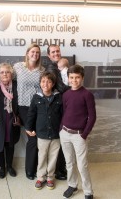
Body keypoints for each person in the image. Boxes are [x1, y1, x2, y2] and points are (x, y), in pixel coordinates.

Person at [60, 64, 96, 199]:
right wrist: (60, 129)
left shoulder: (87, 95)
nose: (74, 80)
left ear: (82, 78)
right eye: (72, 77)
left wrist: (84, 134)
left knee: (82, 165)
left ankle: (88, 192)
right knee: (69, 163)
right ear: (68, 78)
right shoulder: (66, 94)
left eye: (77, 77)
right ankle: (72, 185)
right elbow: (64, 112)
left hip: (79, 135)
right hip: (64, 133)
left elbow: (92, 116)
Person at [25, 71, 62, 190]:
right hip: (41, 133)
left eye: (49, 81)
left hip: (56, 133)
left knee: (53, 156)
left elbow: (63, 115)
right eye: (43, 81)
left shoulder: (58, 97)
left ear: (53, 84)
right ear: (40, 83)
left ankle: (50, 176)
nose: (46, 84)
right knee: (42, 156)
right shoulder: (36, 97)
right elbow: (31, 114)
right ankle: (41, 177)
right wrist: (28, 127)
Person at [13, 43, 45, 180]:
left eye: (37, 52)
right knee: (32, 136)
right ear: (27, 53)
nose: (35, 54)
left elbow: (44, 87)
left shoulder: (42, 70)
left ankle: (37, 168)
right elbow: (9, 82)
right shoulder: (18, 67)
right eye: (32, 52)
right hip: (23, 107)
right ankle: (30, 170)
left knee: (38, 137)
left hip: (38, 106)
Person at [46, 44, 70, 180]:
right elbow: (60, 87)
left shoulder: (63, 66)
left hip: (63, 106)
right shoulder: (51, 68)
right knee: (59, 140)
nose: (56, 53)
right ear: (49, 56)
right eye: (53, 52)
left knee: (62, 139)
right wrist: (72, 89)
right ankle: (59, 170)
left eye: (58, 51)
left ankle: (60, 168)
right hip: (58, 107)